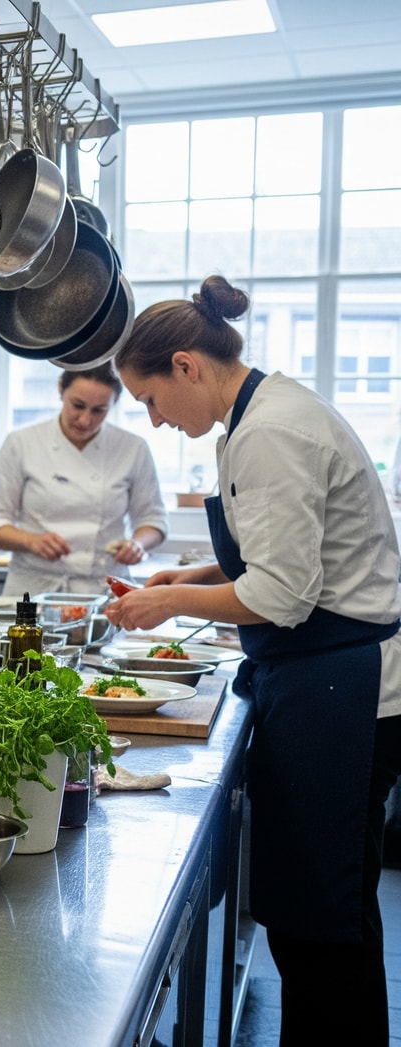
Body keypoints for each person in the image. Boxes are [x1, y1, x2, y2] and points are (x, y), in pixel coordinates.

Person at [102, 275, 401, 1044]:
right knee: (320, 910)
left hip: (345, 684)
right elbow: (287, 557)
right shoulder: (256, 420)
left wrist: (164, 604)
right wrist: (190, 576)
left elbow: (284, 593)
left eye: (150, 399)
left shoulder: (269, 431)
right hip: (324, 675)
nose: (156, 420)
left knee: (320, 918)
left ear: (185, 366)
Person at [0, 363, 168, 596]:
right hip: (33, 589)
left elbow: (154, 520)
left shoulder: (132, 448)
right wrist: (31, 541)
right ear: (60, 390)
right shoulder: (22, 443)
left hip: (100, 591)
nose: (85, 420)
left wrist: (138, 544)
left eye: (99, 410)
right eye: (77, 405)